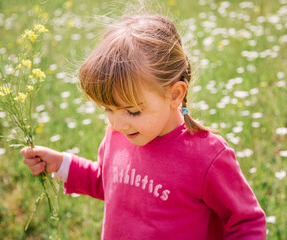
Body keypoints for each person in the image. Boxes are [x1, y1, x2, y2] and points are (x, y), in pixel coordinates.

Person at [21, 14, 266, 239]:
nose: (117, 123)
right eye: (108, 109)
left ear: (174, 95)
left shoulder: (206, 157)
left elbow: (247, 222)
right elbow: (109, 183)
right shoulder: (119, 134)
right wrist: (61, 164)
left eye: (133, 111)